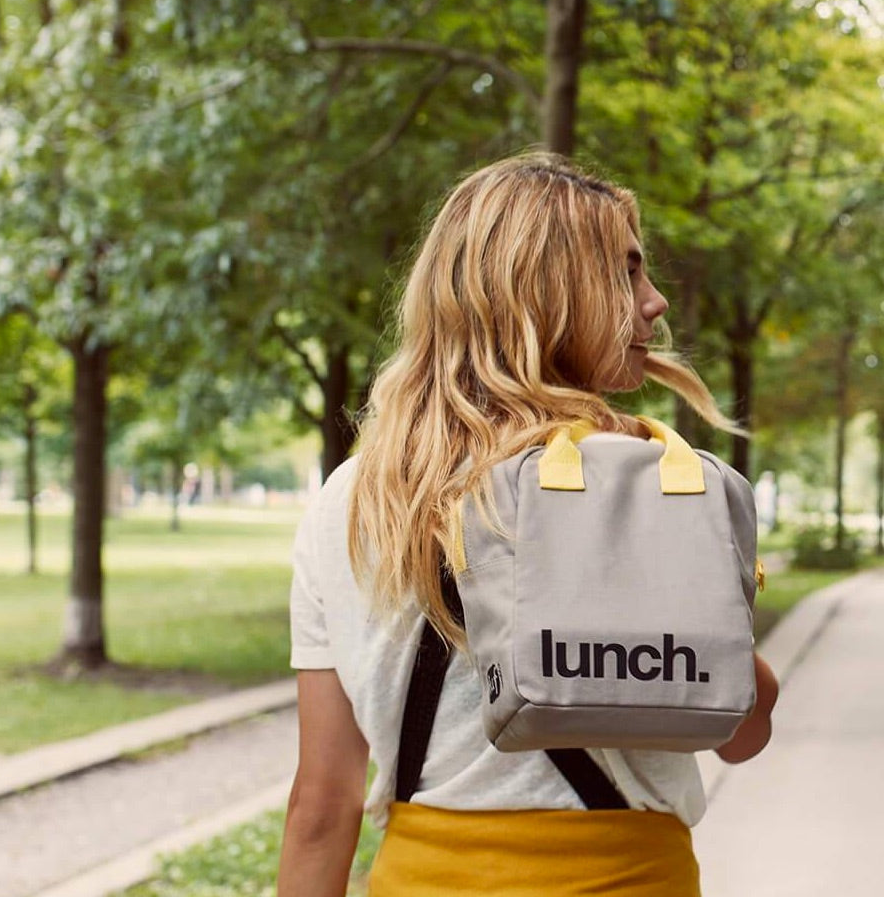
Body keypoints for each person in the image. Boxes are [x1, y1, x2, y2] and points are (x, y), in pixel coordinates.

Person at [277, 153, 779, 897]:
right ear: (550, 295)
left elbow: (323, 804)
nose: (656, 302)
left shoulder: (348, 503)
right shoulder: (641, 484)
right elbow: (744, 730)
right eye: (628, 273)